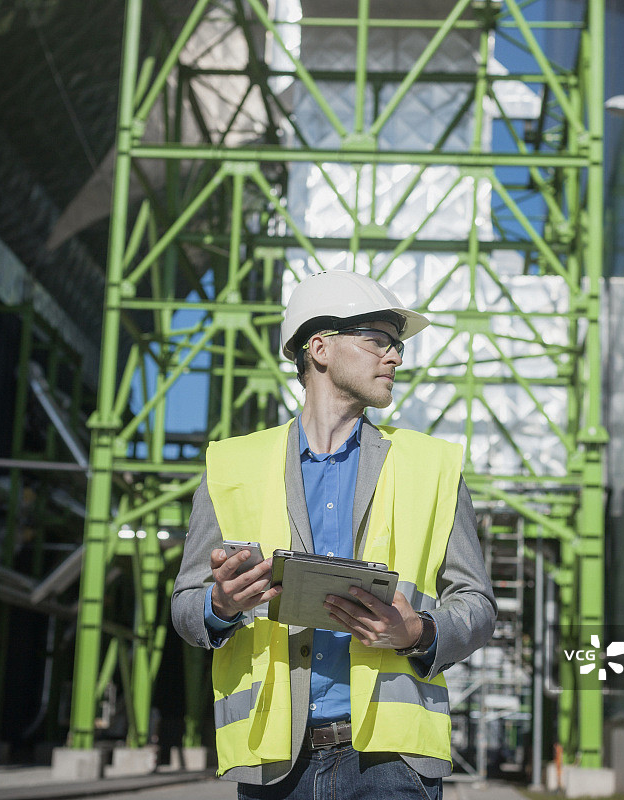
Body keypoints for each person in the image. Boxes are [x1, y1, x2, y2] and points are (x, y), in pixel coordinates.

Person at [171, 270, 496, 799]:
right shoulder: (232, 466)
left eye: (397, 346)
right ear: (319, 347)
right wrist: (221, 604)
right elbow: (187, 607)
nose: (395, 357)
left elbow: (477, 605)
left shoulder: (433, 466)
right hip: (276, 765)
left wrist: (419, 634)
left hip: (393, 766)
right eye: (379, 340)